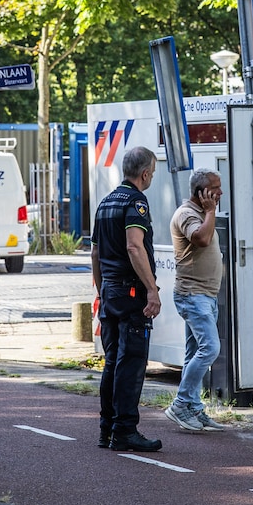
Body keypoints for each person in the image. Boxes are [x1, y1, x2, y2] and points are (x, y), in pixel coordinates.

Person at [91, 145, 163, 452]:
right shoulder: (137, 202)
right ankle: (125, 430)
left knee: (113, 363)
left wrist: (101, 288)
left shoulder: (106, 202)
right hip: (131, 292)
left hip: (110, 292)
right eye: (153, 173)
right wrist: (152, 289)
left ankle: (107, 428)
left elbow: (95, 252)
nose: (151, 178)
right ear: (145, 173)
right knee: (131, 361)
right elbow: (135, 247)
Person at [163, 170, 228, 432]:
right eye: (215, 189)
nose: (220, 193)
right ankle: (180, 404)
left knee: (193, 353)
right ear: (201, 193)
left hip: (206, 296)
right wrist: (211, 212)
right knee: (210, 349)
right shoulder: (186, 214)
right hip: (193, 295)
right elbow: (201, 239)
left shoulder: (201, 213)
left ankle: (194, 408)